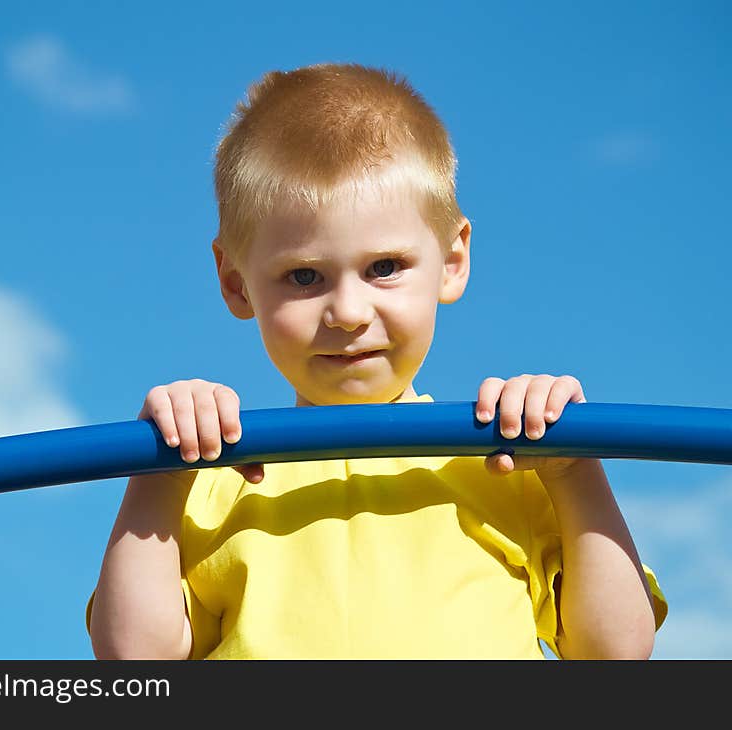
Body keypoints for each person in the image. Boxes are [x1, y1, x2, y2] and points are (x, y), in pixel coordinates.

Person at [85, 62, 667, 659]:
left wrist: (574, 471)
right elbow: (135, 661)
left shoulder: (507, 462)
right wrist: (159, 477)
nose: (347, 312)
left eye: (383, 268)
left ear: (450, 260)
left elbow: (616, 651)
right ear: (236, 284)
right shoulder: (213, 475)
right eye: (304, 275)